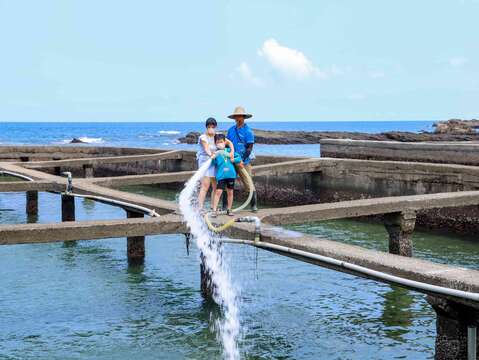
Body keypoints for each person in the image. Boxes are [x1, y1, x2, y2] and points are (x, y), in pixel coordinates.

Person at [196, 117, 235, 211]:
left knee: (215, 185)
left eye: (212, 126)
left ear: (215, 126)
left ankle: (213, 207)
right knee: (205, 185)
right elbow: (206, 148)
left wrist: (232, 153)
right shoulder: (203, 137)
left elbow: (229, 143)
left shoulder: (217, 135)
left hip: (216, 161)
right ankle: (200, 208)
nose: (211, 128)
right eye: (209, 126)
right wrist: (211, 155)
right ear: (206, 127)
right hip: (205, 161)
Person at [226, 106, 257, 212]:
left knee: (249, 184)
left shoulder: (248, 131)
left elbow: (249, 148)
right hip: (231, 161)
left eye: (239, 116)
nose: (237, 118)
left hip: (244, 162)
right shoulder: (230, 130)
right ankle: (225, 206)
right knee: (228, 182)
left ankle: (253, 206)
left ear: (243, 117)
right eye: (236, 116)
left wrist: (242, 160)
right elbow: (227, 145)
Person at [210, 134, 242, 216]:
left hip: (231, 176)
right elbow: (213, 163)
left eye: (221, 142)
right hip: (221, 176)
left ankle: (229, 210)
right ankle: (214, 210)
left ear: (225, 142)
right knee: (218, 192)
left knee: (230, 192)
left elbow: (239, 158)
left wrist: (233, 159)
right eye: (217, 142)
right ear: (215, 144)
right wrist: (212, 158)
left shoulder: (229, 151)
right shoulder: (216, 153)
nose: (220, 143)